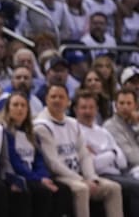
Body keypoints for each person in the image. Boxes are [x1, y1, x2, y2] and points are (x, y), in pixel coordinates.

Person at [33, 83, 123, 217]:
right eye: (53, 97)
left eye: (61, 97)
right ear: (46, 100)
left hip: (79, 174)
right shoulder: (41, 126)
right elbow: (53, 163)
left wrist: (92, 177)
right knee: (82, 189)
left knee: (114, 188)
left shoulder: (73, 123)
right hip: (58, 176)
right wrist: (81, 180)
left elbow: (84, 155)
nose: (57, 100)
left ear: (68, 101)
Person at [2, 91, 72, 217]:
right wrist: (38, 179)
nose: (20, 109)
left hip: (34, 175)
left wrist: (43, 176)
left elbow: (40, 160)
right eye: (15, 105)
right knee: (42, 192)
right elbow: (14, 161)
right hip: (17, 176)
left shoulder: (32, 134)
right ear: (8, 109)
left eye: (23, 105)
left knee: (63, 190)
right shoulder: (5, 132)